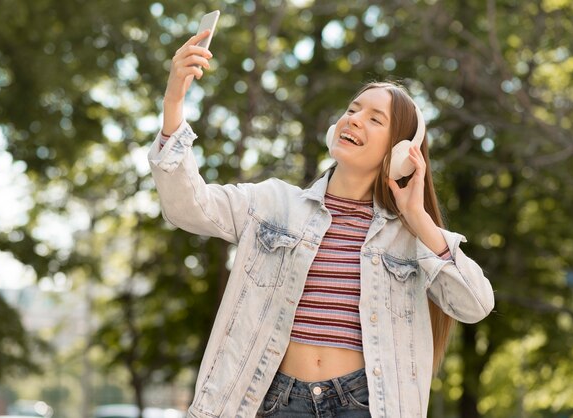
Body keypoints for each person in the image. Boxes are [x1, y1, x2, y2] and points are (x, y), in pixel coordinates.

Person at [148, 30, 494, 418]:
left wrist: (417, 216)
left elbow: (475, 304)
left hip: (363, 404)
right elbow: (187, 206)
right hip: (274, 400)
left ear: (400, 152)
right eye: (352, 109)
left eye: (375, 118)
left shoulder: (413, 236)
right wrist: (174, 101)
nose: (354, 119)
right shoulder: (273, 203)